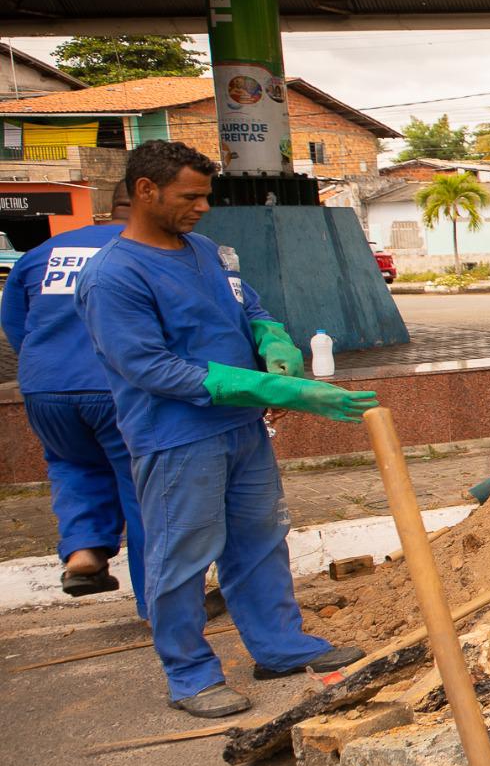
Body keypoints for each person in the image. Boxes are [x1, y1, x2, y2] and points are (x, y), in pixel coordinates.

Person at [76, 141, 382, 718]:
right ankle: (190, 675)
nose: (203, 206)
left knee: (260, 542)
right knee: (182, 556)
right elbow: (149, 368)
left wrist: (274, 345)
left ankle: (280, 647)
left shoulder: (206, 252)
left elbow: (251, 311)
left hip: (241, 429)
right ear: (146, 191)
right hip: (176, 438)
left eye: (205, 195)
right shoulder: (114, 277)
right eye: (190, 196)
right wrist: (276, 390)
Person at [2, 186, 149, 600]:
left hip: (46, 386)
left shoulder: (44, 252)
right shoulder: (148, 248)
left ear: (108, 208)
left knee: (72, 465)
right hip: (117, 386)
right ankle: (163, 602)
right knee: (144, 489)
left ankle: (83, 552)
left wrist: (51, 367)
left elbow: (17, 326)